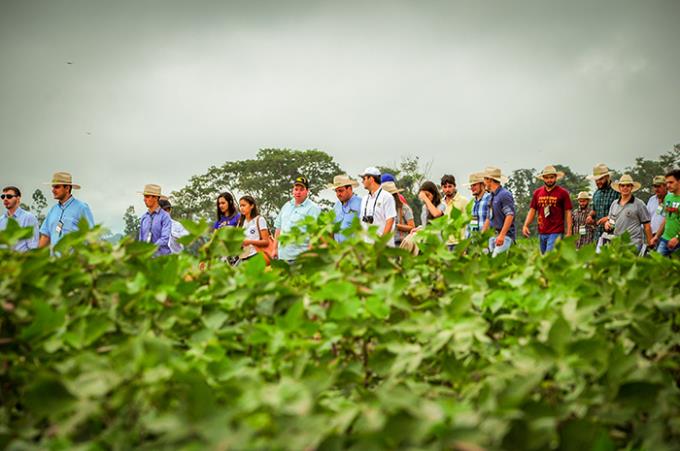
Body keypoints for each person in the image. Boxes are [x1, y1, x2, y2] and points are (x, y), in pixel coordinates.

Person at [522, 165, 573, 254]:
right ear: (543, 178)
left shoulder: (563, 193)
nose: (549, 180)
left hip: (556, 231)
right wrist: (526, 225)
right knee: (544, 256)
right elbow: (532, 210)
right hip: (542, 231)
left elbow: (568, 212)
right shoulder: (537, 193)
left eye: (551, 177)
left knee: (549, 256)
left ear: (556, 177)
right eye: (547, 178)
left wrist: (569, 231)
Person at [39, 172, 95, 249]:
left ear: (67, 188)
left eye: (57, 187)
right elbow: (45, 236)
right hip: (55, 260)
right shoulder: (52, 210)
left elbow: (91, 236)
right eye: (53, 187)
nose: (53, 190)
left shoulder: (82, 208)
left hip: (74, 260)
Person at [273, 176, 321, 262]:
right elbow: (278, 228)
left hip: (300, 258)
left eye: (301, 189)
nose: (298, 192)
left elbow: (315, 234)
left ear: (307, 191)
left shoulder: (313, 208)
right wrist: (274, 249)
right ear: (292, 191)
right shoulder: (286, 205)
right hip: (282, 257)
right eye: (296, 189)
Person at [603, 174, 652, 251]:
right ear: (619, 187)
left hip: (634, 244)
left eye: (628, 185)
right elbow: (611, 221)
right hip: (617, 243)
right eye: (622, 186)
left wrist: (650, 245)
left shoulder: (639, 204)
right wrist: (607, 224)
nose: (625, 188)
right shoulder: (614, 204)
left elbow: (647, 226)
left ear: (632, 187)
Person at [481, 167, 516, 257]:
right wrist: (481, 236)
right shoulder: (491, 197)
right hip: (493, 237)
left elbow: (510, 215)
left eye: (485, 179)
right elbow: (489, 218)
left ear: (489, 180)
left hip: (505, 237)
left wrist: (502, 235)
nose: (483, 182)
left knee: (496, 261)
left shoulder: (504, 195)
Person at [359, 167, 397, 246]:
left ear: (371, 179)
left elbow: (390, 221)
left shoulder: (387, 197)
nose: (362, 181)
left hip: (384, 247)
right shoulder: (364, 199)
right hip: (367, 246)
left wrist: (381, 243)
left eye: (364, 178)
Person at [651, 169, 680, 257]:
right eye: (667, 183)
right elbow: (666, 219)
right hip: (665, 239)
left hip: (677, 241)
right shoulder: (668, 197)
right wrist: (656, 236)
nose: (668, 185)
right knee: (656, 265)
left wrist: (677, 238)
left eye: (671, 182)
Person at [0, 186, 39, 251]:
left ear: (18, 198)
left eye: (9, 196)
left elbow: (33, 246)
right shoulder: (1, 220)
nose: (5, 199)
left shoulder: (28, 217)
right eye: (3, 197)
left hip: (22, 260)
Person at [137, 184, 172, 256]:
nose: (144, 199)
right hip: (147, 259)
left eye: (147, 196)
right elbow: (141, 240)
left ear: (155, 198)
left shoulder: (165, 216)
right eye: (144, 197)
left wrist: (150, 249)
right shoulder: (144, 217)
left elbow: (165, 239)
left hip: (161, 258)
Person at [587, 163, 620, 239]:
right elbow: (595, 210)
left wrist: (608, 218)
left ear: (607, 177)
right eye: (596, 180)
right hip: (598, 235)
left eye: (601, 179)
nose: (598, 182)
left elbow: (623, 211)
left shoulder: (617, 191)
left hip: (614, 234)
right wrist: (590, 216)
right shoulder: (596, 194)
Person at [237, 195, 271, 262]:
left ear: (252, 206)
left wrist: (249, 242)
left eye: (244, 205)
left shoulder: (259, 219)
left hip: (257, 254)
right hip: (244, 256)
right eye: (240, 206)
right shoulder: (241, 222)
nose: (241, 208)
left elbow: (266, 241)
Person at [330, 174, 362, 243]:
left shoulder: (361, 204)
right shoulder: (336, 206)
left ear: (350, 189)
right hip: (338, 250)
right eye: (336, 191)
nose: (338, 194)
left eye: (341, 191)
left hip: (354, 250)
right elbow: (332, 228)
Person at [441, 174, 469, 250]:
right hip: (444, 243)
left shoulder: (463, 201)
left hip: (459, 242)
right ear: (442, 188)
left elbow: (471, 220)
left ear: (454, 186)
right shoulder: (440, 203)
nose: (447, 189)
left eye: (450, 186)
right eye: (445, 187)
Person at [383, 181, 414, 246]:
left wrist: (396, 226)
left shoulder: (404, 208)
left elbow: (412, 227)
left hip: (401, 243)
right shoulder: (383, 209)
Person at [463, 173, 491, 238]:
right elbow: (471, 224)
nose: (472, 188)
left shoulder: (490, 199)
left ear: (483, 185)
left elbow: (491, 219)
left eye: (474, 185)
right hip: (475, 242)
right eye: (471, 185)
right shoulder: (472, 203)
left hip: (486, 241)